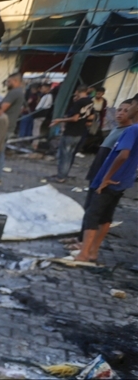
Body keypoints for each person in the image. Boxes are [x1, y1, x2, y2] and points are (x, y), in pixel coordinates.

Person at [76, 103, 138, 263]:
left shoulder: (131, 130)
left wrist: (106, 177)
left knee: (92, 214)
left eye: (130, 107)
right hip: (122, 181)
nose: (125, 111)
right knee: (105, 216)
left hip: (110, 180)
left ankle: (83, 254)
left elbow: (123, 155)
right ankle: (93, 252)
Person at [49, 84, 91, 182]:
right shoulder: (90, 102)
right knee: (69, 155)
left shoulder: (79, 103)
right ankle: (64, 174)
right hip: (80, 132)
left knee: (64, 155)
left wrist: (60, 120)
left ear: (78, 91)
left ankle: (60, 177)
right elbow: (90, 117)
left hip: (71, 132)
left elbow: (75, 118)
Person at [83, 85, 108, 151]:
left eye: (100, 93)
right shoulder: (91, 99)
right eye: (97, 93)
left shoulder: (104, 101)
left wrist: (102, 123)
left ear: (102, 94)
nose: (98, 94)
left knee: (92, 133)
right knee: (85, 131)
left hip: (96, 118)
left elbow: (103, 113)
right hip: (89, 116)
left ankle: (86, 147)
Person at [31, 82, 53, 148]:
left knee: (36, 130)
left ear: (47, 88)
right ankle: (34, 143)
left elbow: (45, 106)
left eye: (43, 88)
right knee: (35, 129)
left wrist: (37, 111)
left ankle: (35, 144)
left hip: (41, 114)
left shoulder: (48, 96)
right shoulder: (44, 96)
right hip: (38, 114)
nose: (42, 89)